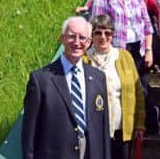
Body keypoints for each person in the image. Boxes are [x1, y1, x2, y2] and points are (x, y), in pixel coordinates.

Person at [22, 16, 111, 159]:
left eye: (82, 38)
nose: (77, 42)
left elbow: (104, 130)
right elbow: (29, 134)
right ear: (62, 39)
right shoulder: (40, 80)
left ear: (89, 42)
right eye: (71, 36)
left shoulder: (98, 78)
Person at [90, 0, 160, 135]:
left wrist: (149, 49)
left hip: (139, 48)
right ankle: (130, 126)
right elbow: (97, 22)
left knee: (141, 87)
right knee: (124, 87)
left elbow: (146, 24)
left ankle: (148, 121)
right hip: (118, 50)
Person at [85, 14, 145, 159]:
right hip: (95, 130)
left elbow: (137, 92)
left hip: (123, 127)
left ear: (113, 35)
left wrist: (140, 124)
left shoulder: (124, 57)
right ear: (91, 35)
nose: (103, 37)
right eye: (98, 32)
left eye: (107, 33)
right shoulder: (84, 60)